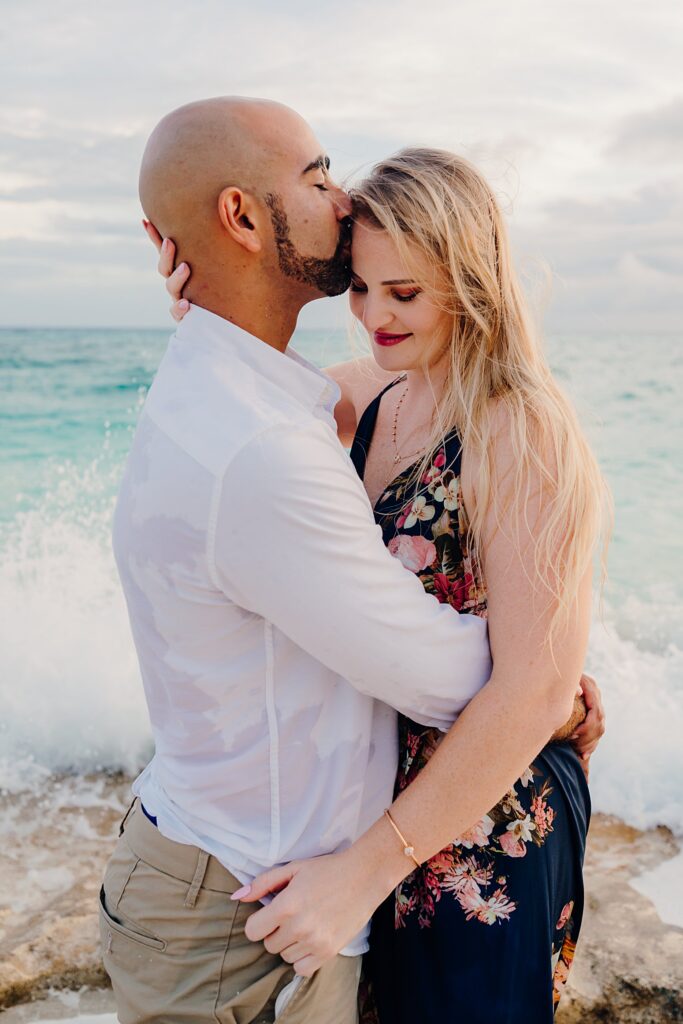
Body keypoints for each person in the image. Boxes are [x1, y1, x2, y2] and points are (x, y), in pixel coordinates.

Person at [154, 140, 609, 1021]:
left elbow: (534, 690)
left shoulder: (519, 429)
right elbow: (234, 403)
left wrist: (359, 873)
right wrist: (200, 314)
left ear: (472, 279)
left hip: (483, 822)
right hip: (377, 807)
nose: (373, 317)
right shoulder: (360, 395)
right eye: (360, 288)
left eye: (404, 294)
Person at [104, 95, 500, 1024]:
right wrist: (551, 687)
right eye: (318, 176)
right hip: (241, 922)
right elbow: (440, 675)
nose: (346, 195)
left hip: (214, 870)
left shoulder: (230, 389)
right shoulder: (258, 450)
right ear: (242, 217)